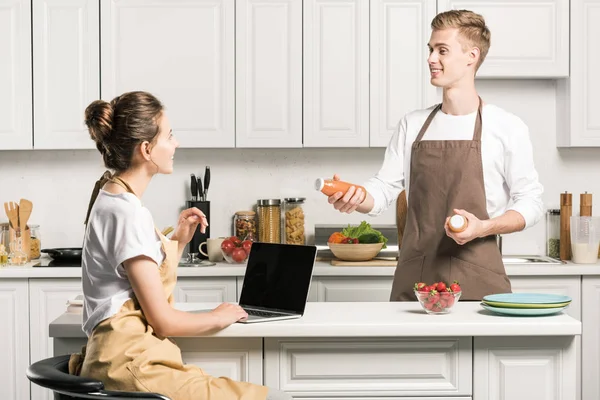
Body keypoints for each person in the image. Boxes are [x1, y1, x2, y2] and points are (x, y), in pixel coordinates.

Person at [69, 91, 292, 400]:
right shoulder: (126, 211)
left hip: (121, 358)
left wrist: (176, 241)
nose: (176, 144)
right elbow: (162, 320)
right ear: (147, 149)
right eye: (169, 136)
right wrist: (219, 315)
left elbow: (127, 279)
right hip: (131, 365)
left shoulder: (111, 195)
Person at [326, 10, 544, 301]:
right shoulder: (412, 125)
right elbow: (383, 189)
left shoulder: (506, 127)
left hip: (478, 281)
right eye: (430, 50)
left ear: (472, 56)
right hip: (415, 282)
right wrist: (356, 196)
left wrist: (484, 227)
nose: (431, 58)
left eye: (442, 50)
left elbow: (531, 202)